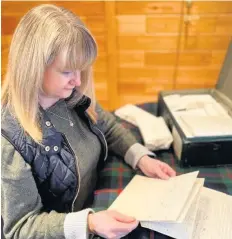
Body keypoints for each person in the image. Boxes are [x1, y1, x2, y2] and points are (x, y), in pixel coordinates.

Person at [1, 4, 176, 239]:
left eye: (82, 69)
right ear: (34, 66)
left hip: (96, 203)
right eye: (67, 71)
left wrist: (141, 157)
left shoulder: (70, 95)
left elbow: (108, 125)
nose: (77, 80)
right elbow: (20, 228)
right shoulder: (9, 140)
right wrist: (89, 223)